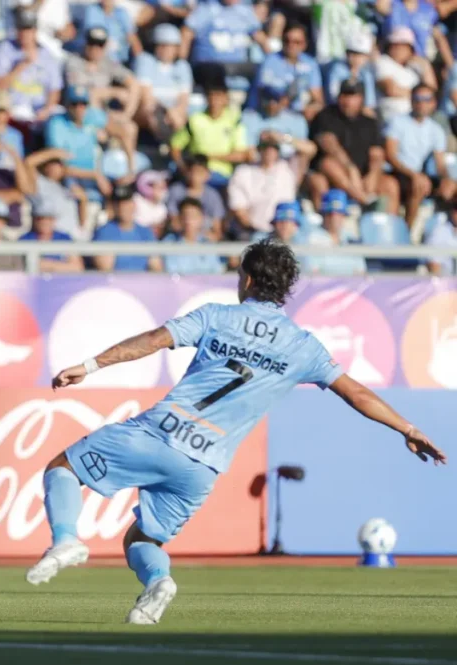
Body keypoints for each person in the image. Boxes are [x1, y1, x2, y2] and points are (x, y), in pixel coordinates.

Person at [28, 238, 446, 624]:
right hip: (202, 468)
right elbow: (356, 393)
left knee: (63, 467)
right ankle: (158, 582)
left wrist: (90, 365)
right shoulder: (304, 347)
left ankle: (65, 540)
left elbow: (154, 340)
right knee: (143, 540)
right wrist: (406, 428)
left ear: (247, 279)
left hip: (158, 434)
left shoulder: (216, 316)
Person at [308, 78, 400, 214]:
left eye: (353, 96)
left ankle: (388, 224)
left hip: (363, 175)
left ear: (361, 98)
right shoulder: (326, 116)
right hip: (336, 175)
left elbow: (377, 154)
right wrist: (350, 168)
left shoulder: (370, 122)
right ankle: (364, 200)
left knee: (391, 184)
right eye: (345, 95)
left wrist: (372, 176)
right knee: (328, 164)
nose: (348, 101)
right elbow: (329, 144)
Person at [384, 84, 455, 229]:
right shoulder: (397, 122)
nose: (422, 103)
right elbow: (390, 155)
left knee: (451, 186)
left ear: (434, 103)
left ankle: (447, 232)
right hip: (399, 172)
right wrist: (414, 175)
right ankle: (406, 231)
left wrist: (446, 180)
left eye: (427, 99)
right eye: (418, 99)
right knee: (418, 185)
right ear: (411, 101)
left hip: (418, 174)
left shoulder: (436, 129)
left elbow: (440, 165)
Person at [170, 78, 252, 187]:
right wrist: (184, 169)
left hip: (221, 174)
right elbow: (175, 146)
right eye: (211, 96)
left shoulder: (234, 120)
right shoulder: (195, 119)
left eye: (218, 96)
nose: (214, 101)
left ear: (226, 98)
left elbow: (241, 155)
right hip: (196, 171)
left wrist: (209, 157)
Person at [0, 8, 62, 124]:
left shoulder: (47, 54)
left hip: (40, 107)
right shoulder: (5, 49)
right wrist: (22, 65)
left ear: (35, 31)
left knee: (58, 114)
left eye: (28, 29)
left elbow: (54, 89)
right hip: (14, 105)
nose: (24, 34)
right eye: (21, 29)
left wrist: (46, 109)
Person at [228, 135, 298, 238]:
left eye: (274, 147)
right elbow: (239, 209)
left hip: (282, 232)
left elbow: (309, 150)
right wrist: (256, 232)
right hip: (251, 232)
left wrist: (283, 138)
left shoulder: (287, 170)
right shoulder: (242, 172)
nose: (269, 151)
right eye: (265, 147)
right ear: (258, 149)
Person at [250, 22, 323, 121]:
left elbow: (318, 100)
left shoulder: (311, 64)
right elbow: (263, 94)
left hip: (297, 116)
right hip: (265, 115)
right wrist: (277, 104)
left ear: (305, 44)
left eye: (297, 42)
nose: (291, 45)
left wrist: (311, 108)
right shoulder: (270, 61)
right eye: (287, 40)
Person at [134, 23, 192, 141]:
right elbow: (146, 98)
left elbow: (184, 100)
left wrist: (175, 112)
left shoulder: (182, 66)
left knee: (181, 118)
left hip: (173, 113)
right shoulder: (145, 61)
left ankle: (173, 146)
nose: (166, 50)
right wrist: (167, 111)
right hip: (152, 111)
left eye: (171, 46)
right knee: (151, 114)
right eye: (162, 45)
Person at [92, 185, 158, 271]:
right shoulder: (104, 233)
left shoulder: (145, 232)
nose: (123, 207)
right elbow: (105, 270)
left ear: (134, 204)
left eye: (127, 203)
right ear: (113, 207)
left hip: (143, 278)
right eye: (118, 204)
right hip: (117, 279)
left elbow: (156, 266)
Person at [376, 27, 435, 121]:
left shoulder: (415, 67)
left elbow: (431, 90)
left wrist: (426, 66)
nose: (397, 49)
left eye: (403, 46)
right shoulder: (383, 61)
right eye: (394, 45)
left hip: (417, 117)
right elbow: (391, 90)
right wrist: (420, 97)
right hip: (392, 117)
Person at [167, 153, 224, 240]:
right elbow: (174, 223)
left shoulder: (213, 195)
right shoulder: (176, 191)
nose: (195, 176)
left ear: (207, 174)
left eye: (199, 172)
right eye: (192, 172)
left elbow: (217, 230)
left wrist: (202, 236)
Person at [162, 197, 224, 274]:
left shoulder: (208, 243)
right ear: (179, 218)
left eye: (193, 216)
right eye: (185, 216)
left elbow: (216, 271)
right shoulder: (170, 242)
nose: (188, 221)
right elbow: (170, 271)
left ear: (201, 218)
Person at [20, 198, 81, 272]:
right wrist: (61, 265)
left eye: (49, 218)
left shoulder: (65, 238)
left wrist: (48, 265)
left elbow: (77, 267)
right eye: (40, 218)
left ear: (54, 219)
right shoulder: (24, 239)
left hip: (61, 278)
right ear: (34, 219)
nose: (45, 222)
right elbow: (20, 267)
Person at [324, 31, 377, 113]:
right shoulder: (337, 69)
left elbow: (370, 102)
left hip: (360, 112)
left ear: (366, 57)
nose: (355, 58)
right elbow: (333, 96)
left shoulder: (366, 73)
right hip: (338, 110)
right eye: (352, 53)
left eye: (360, 55)